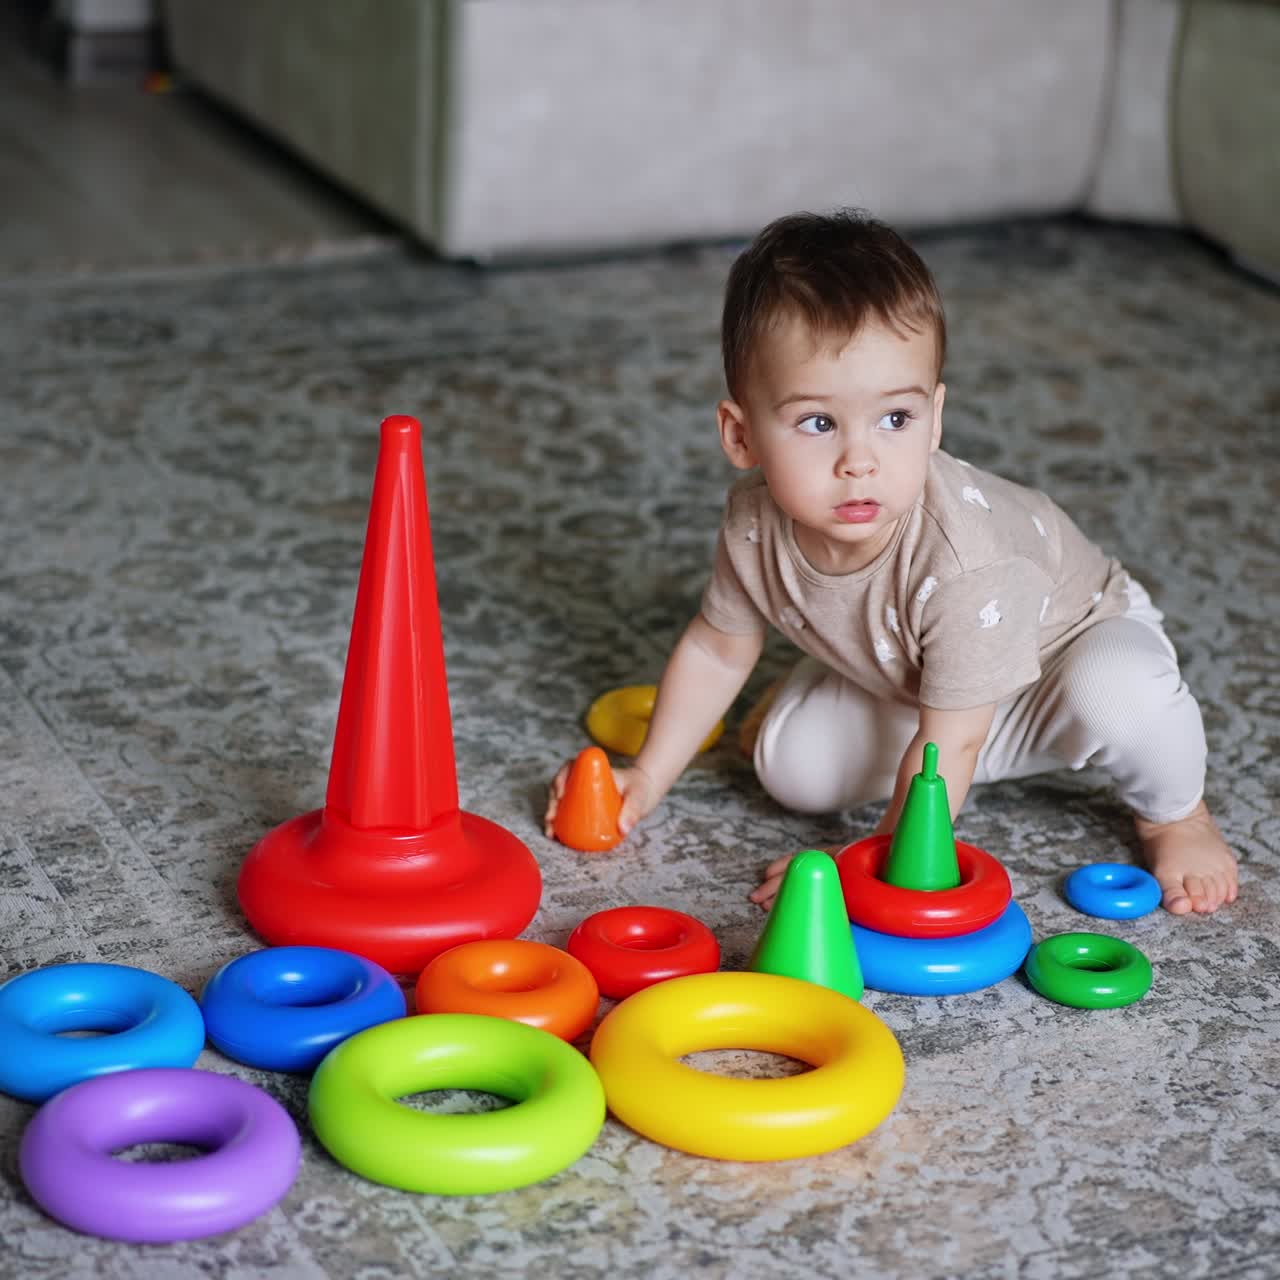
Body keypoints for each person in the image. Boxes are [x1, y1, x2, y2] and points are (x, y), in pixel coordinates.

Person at [544, 209, 1238, 916]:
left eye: (896, 420)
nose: (860, 461)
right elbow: (719, 651)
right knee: (790, 770)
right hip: (929, 685)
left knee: (1117, 694)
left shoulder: (966, 561)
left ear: (935, 418)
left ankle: (1176, 814)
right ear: (741, 434)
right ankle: (883, 692)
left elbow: (953, 746)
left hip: (1063, 656)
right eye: (818, 422)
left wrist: (862, 866)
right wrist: (649, 777)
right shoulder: (754, 521)